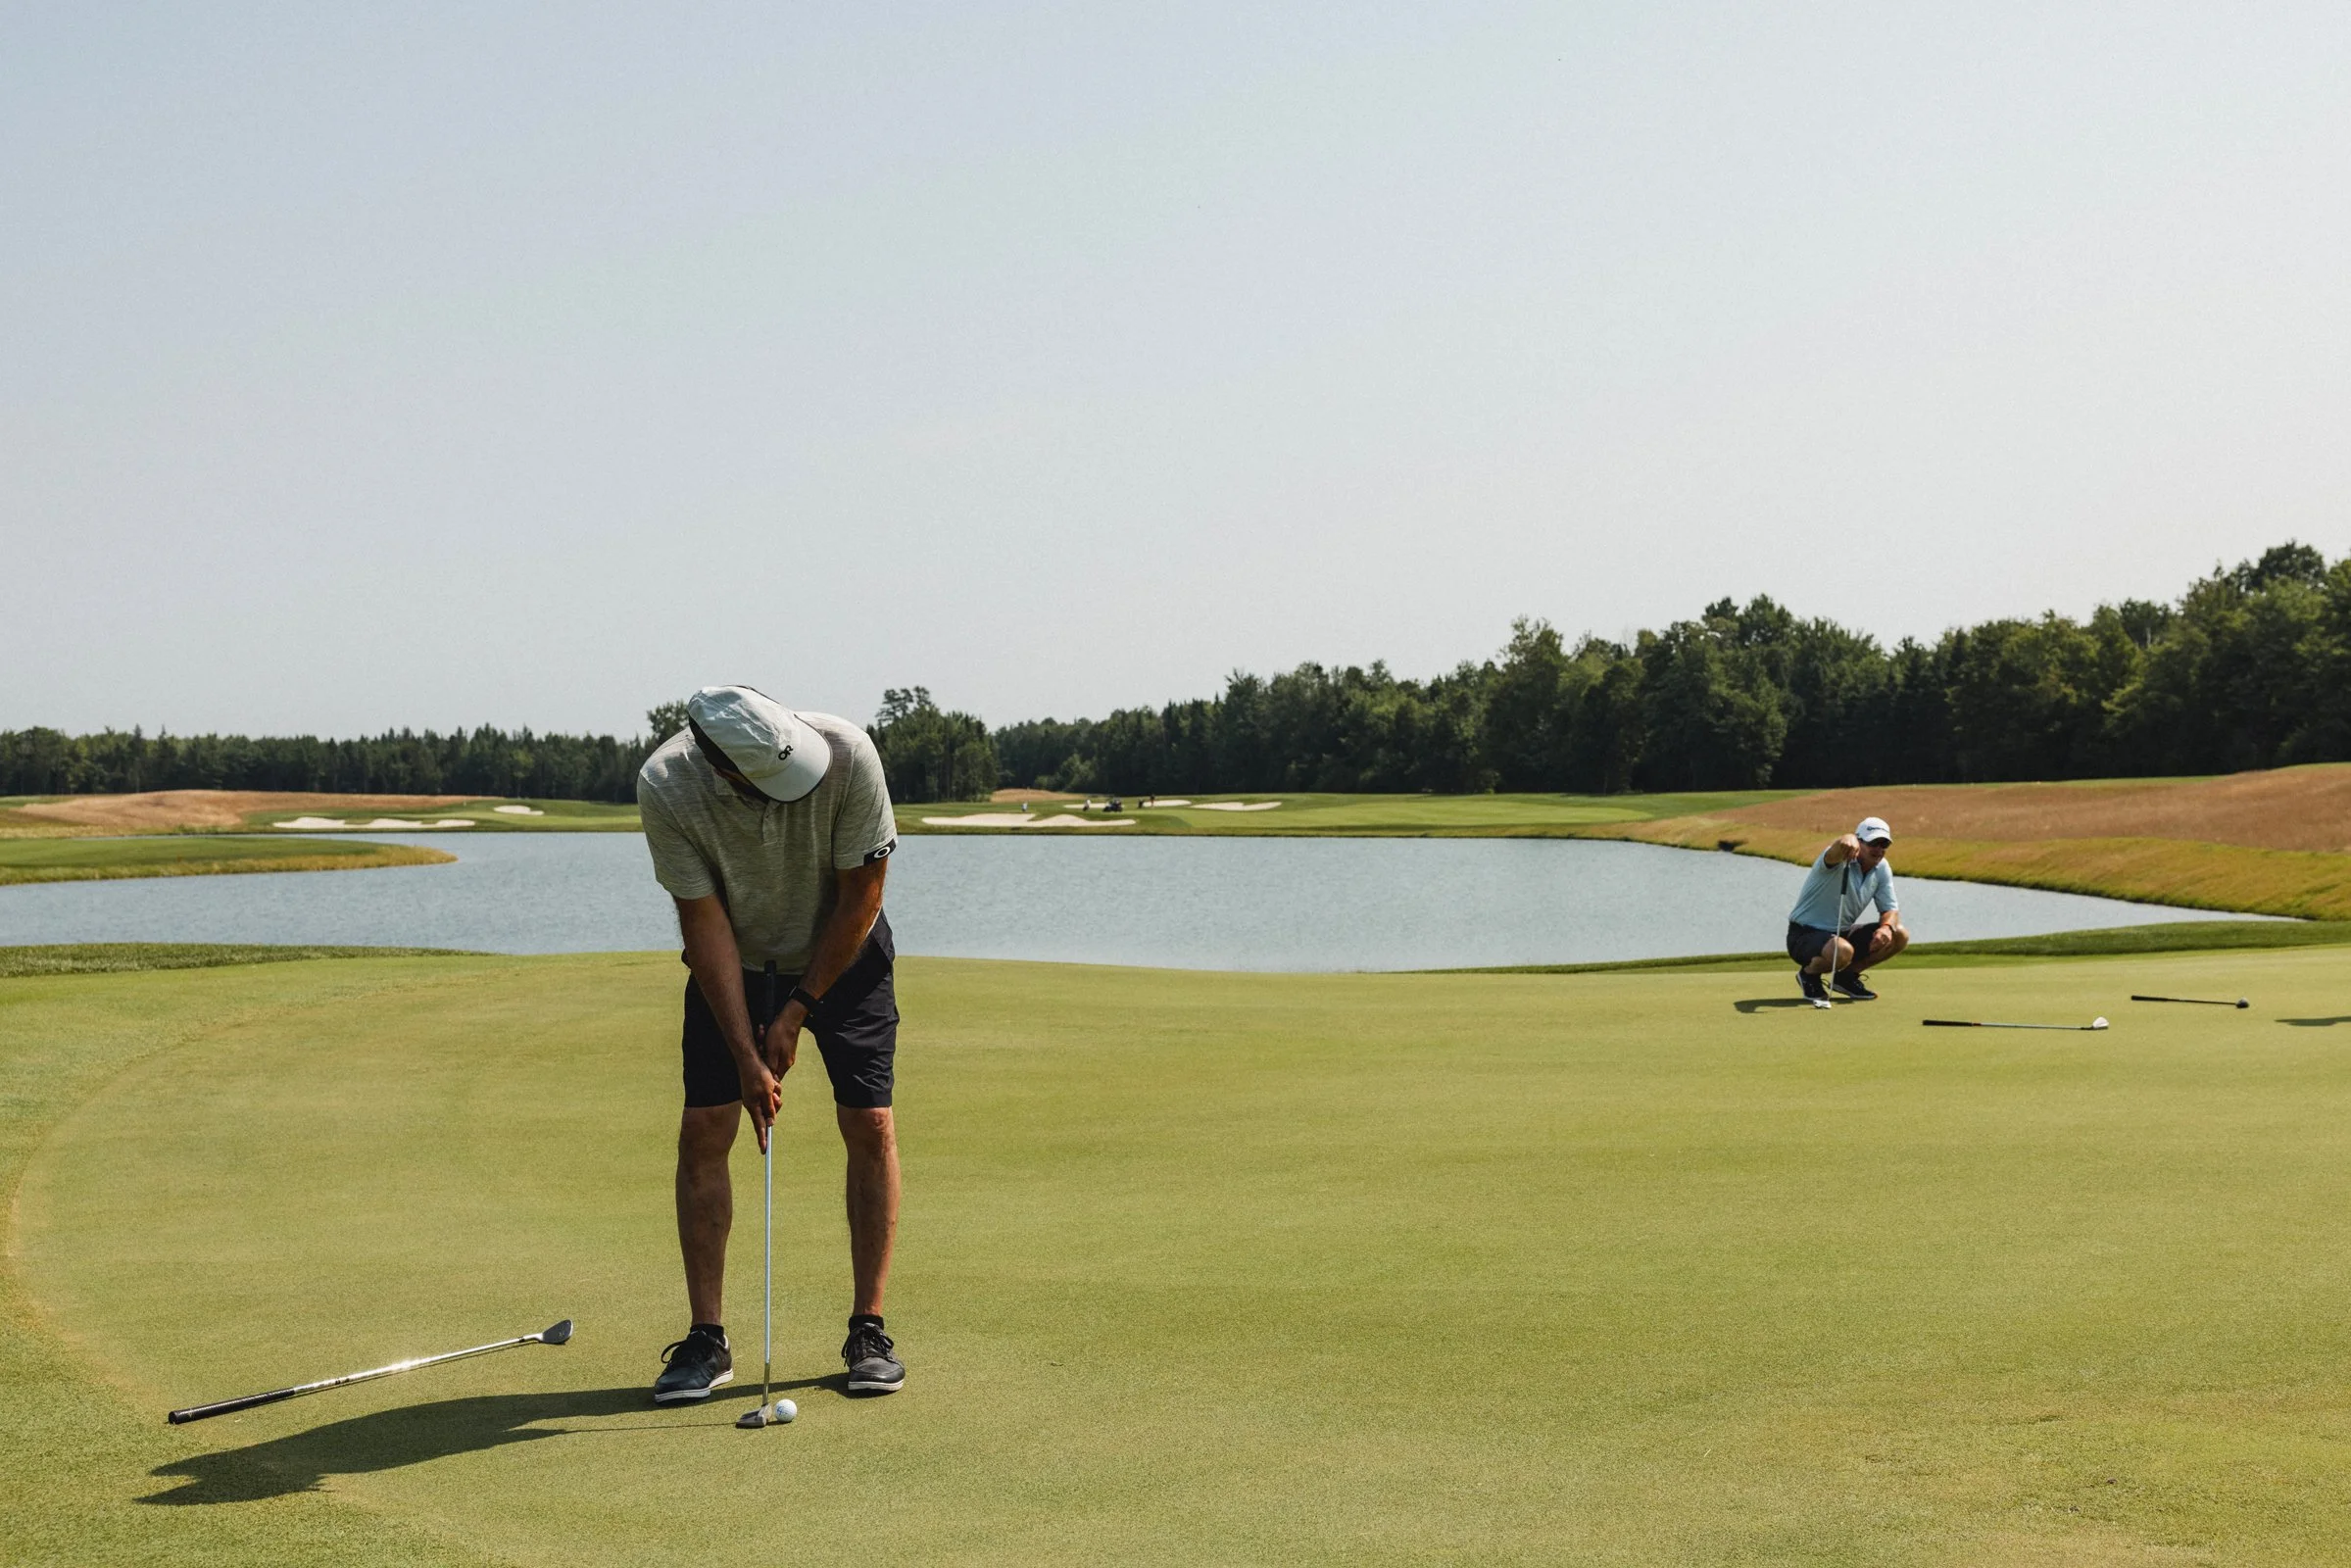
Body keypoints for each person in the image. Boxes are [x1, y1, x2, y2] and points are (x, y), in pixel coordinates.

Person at [636, 684, 907, 1402]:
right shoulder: (667, 785)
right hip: (736, 959)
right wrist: (746, 1050)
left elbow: (863, 894)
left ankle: (867, 1329)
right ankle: (707, 1339)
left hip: (844, 952)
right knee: (703, 1131)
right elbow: (703, 923)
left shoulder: (848, 756)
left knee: (870, 1122)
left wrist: (794, 1013)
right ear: (724, 770)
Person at [1786, 815, 1908, 1002]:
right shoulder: (1838, 857)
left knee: (1899, 934)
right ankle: (1808, 975)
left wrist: (1886, 928)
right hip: (1803, 935)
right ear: (1859, 843)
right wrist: (1846, 838)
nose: (1879, 849)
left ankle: (1846, 978)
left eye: (1884, 844)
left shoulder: (1882, 868)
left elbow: (1890, 909)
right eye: (1873, 843)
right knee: (1843, 951)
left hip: (1840, 935)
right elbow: (1835, 851)